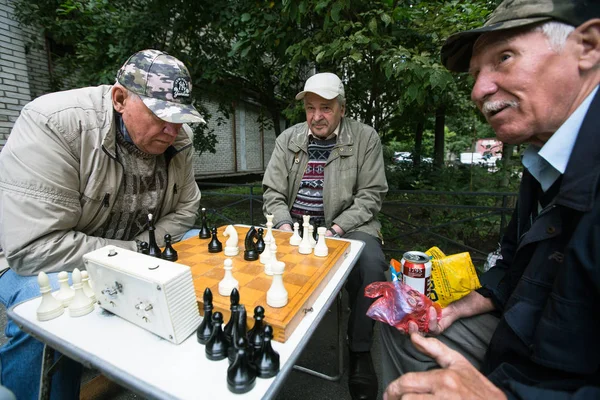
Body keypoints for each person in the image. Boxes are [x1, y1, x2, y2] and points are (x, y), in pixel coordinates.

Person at [380, 0, 600, 398]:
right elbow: (519, 259)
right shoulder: (544, 159)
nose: (478, 90)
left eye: (505, 57)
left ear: (588, 46)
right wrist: (474, 300)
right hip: (524, 343)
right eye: (476, 73)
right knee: (402, 325)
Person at [0, 49, 203, 399]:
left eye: (180, 117)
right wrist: (135, 255)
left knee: (200, 250)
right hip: (43, 264)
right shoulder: (53, 123)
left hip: (134, 251)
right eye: (160, 114)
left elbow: (186, 210)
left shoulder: (179, 139)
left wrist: (138, 253)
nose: (173, 130)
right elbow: (33, 249)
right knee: (49, 317)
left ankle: (181, 375)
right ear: (120, 98)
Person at [262, 72, 388, 400]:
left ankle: (360, 350)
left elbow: (371, 196)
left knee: (372, 266)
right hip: (294, 228)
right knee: (256, 264)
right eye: (310, 108)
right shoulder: (287, 139)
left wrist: (334, 231)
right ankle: (266, 337)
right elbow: (273, 193)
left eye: (326, 108)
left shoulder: (365, 138)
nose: (316, 116)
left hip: (347, 227)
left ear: (342, 109)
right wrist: (286, 227)